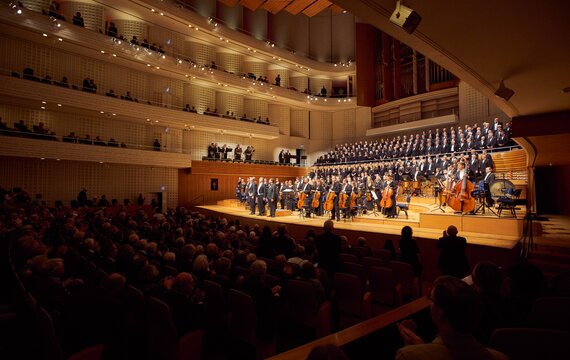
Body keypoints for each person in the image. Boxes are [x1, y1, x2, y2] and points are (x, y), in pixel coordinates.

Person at [396, 276, 508, 360]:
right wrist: (422, 347)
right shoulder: (501, 358)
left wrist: (413, 350)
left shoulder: (407, 356)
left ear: (440, 313)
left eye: (431, 298)